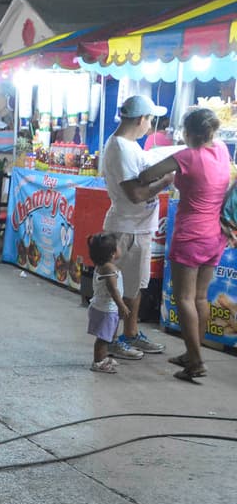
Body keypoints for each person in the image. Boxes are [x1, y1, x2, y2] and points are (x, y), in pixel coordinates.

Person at [134, 107, 231, 381]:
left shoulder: (186, 156)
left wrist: (166, 178)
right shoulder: (222, 150)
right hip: (215, 235)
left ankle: (196, 361)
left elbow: (146, 175)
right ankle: (192, 353)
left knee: (185, 298)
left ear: (188, 133)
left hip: (190, 236)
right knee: (200, 297)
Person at [100, 95, 175, 360]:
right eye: (150, 120)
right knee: (116, 290)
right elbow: (134, 194)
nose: (151, 125)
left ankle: (130, 334)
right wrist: (166, 180)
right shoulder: (119, 147)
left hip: (139, 228)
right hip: (125, 229)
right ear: (141, 119)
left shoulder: (131, 146)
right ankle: (109, 340)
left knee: (135, 287)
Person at [85, 232, 126, 374]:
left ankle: (103, 357)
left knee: (108, 336)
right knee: (103, 338)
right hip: (106, 310)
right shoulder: (108, 268)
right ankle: (98, 362)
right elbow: (113, 290)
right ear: (113, 253)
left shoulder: (102, 265)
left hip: (106, 308)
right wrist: (122, 306)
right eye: (119, 247)